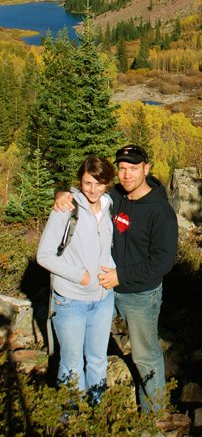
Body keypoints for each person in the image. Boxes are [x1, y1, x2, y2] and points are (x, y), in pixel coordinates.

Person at [54, 144, 178, 414]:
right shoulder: (114, 195)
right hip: (104, 289)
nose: (127, 174)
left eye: (134, 168)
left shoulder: (161, 212)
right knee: (85, 350)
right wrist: (62, 193)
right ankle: (81, 409)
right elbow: (88, 189)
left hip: (140, 294)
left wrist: (121, 275)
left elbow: (163, 261)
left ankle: (152, 416)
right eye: (122, 168)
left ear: (146, 168)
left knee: (145, 356)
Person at [37, 156, 115, 405]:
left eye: (99, 183)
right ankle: (71, 421)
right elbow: (44, 255)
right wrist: (80, 277)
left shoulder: (109, 205)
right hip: (71, 301)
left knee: (98, 359)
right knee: (71, 364)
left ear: (107, 184)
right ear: (80, 181)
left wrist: (112, 272)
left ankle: (97, 416)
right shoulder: (66, 208)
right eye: (88, 183)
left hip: (103, 298)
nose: (93, 189)